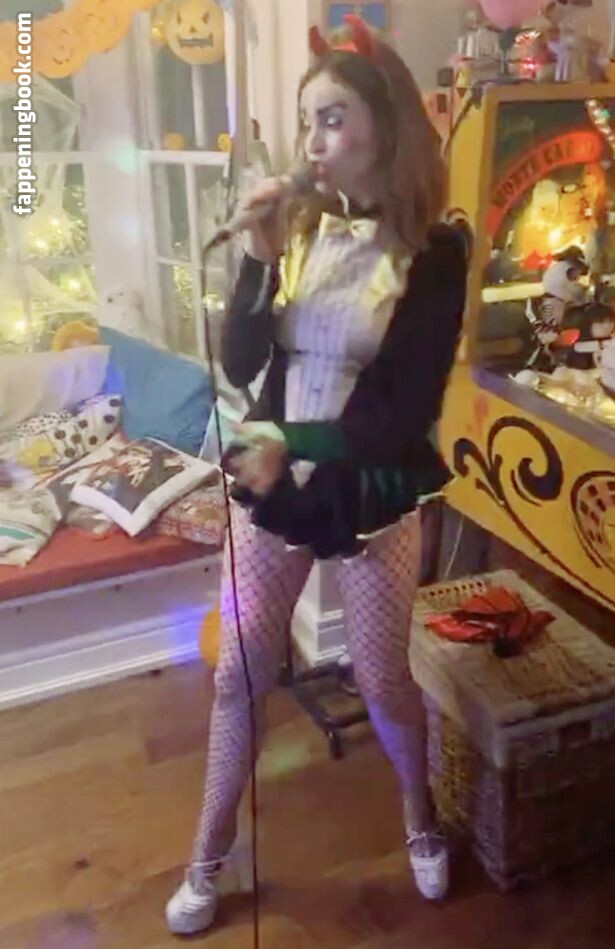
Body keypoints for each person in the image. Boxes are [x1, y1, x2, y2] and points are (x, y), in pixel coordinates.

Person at [166, 14, 467, 936]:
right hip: (276, 479)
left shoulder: (437, 248)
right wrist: (256, 264)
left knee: (380, 678)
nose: (313, 142)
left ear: (385, 124)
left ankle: (419, 817)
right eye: (307, 123)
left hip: (366, 481)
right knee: (237, 674)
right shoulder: (296, 229)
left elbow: (403, 411)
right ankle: (207, 854)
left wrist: (291, 438)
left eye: (332, 119)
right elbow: (241, 358)